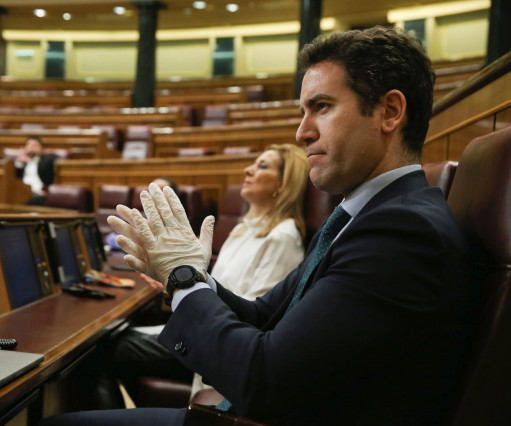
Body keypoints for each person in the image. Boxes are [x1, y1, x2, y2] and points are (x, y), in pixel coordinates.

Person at [42, 26, 475, 426]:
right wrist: (186, 275)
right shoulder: (367, 216)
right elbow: (263, 315)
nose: (302, 131)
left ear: (389, 111)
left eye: (321, 107)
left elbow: (264, 381)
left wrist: (184, 279)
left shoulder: (401, 232)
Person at [95, 145, 309, 409]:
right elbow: (217, 288)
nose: (248, 169)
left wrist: (184, 282)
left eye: (263, 166)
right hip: (203, 323)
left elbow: (259, 317)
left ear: (283, 183)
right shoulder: (243, 228)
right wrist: (173, 281)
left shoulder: (282, 237)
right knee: (109, 341)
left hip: (218, 339)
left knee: (102, 349)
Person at [105, 177, 179, 251]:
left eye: (159, 190)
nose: (153, 193)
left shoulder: (176, 221)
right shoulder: (141, 214)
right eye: (151, 189)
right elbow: (111, 238)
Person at [14, 135, 57, 205]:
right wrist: (20, 162)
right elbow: (16, 177)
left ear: (41, 148)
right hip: (22, 191)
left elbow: (52, 165)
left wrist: (34, 160)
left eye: (35, 145)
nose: (31, 147)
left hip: (39, 192)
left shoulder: (47, 159)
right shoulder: (22, 162)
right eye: (29, 144)